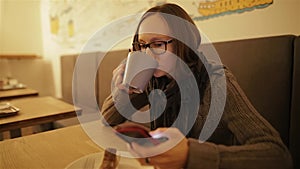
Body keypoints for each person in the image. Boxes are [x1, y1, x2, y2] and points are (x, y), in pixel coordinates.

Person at [101, 3, 292, 169]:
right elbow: (108, 118)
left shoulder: (216, 83)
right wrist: (125, 89)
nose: (148, 55)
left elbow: (278, 156)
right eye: (141, 45)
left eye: (158, 44)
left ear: (184, 44)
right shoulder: (154, 80)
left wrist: (190, 155)